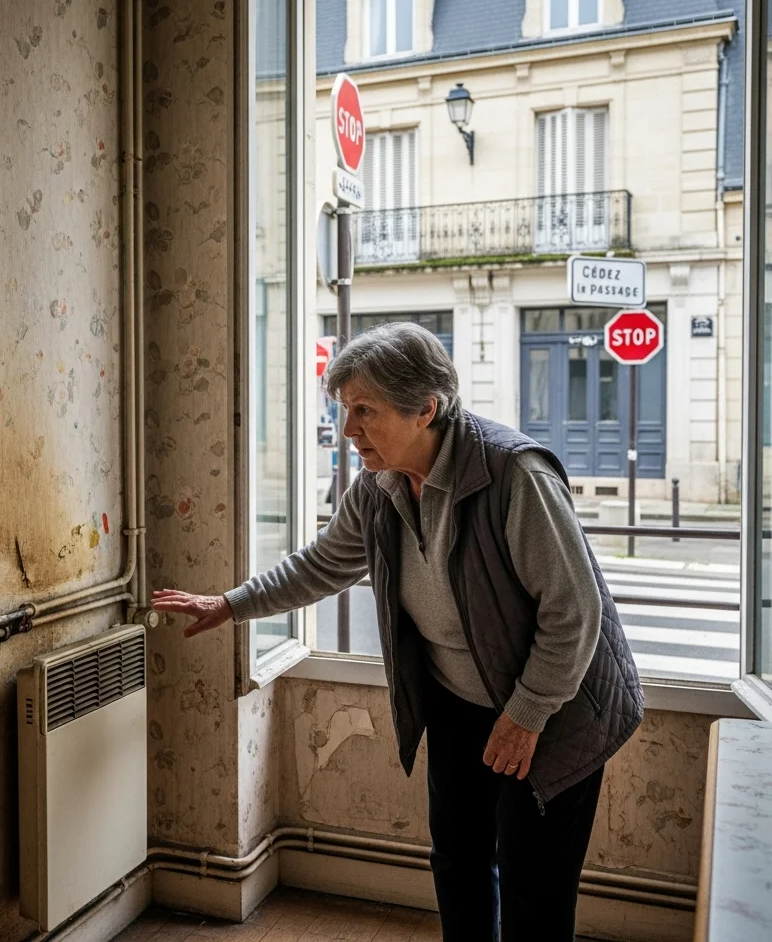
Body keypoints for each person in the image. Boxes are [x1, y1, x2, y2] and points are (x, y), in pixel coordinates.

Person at [153, 322, 643, 942]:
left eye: (365, 411)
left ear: (425, 410)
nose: (348, 429)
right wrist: (232, 603)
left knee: (533, 884)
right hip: (459, 703)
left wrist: (527, 714)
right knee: (459, 863)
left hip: (553, 708)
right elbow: (323, 562)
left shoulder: (514, 474)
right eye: (344, 410)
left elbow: (573, 612)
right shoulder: (380, 485)